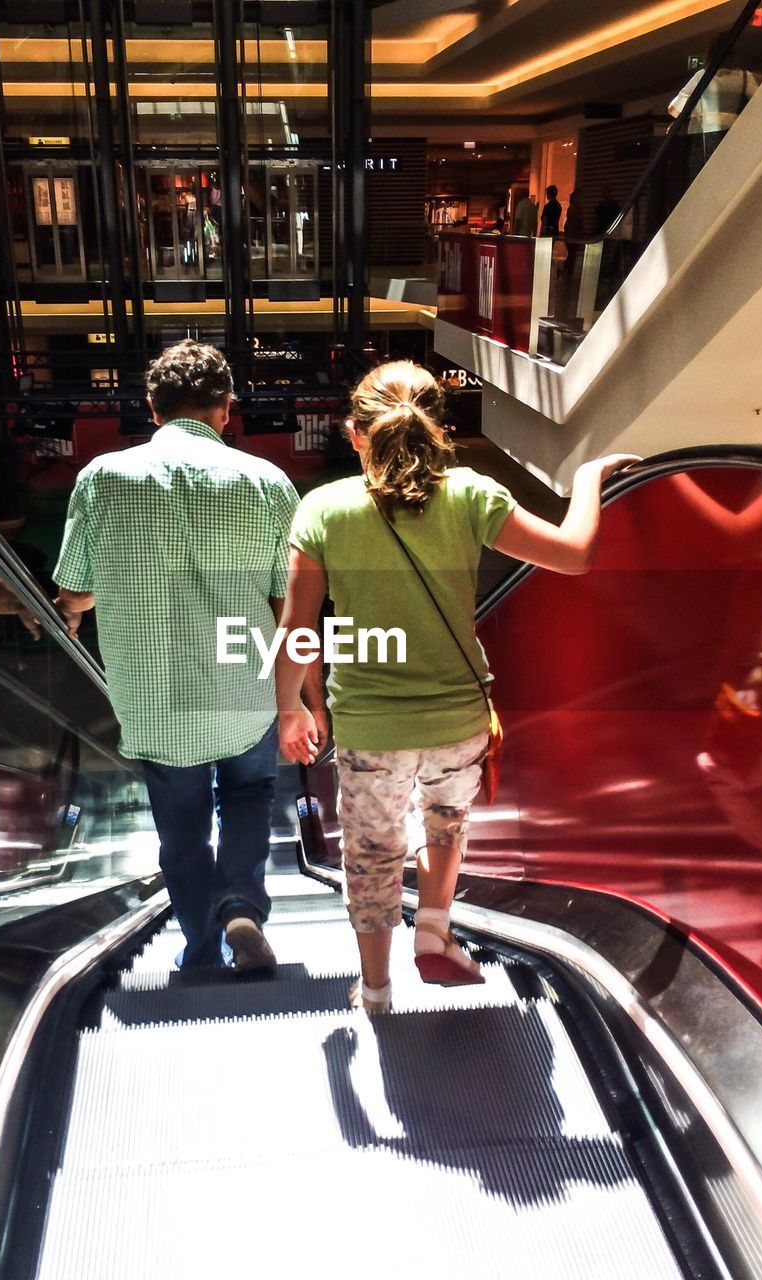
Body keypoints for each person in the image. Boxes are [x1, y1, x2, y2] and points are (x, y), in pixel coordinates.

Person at [275, 360, 638, 1013]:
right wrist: (586, 479)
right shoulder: (472, 494)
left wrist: (292, 708)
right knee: (444, 822)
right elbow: (576, 554)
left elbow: (298, 629)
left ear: (354, 434)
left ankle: (378, 992)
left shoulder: (324, 510)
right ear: (438, 428)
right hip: (457, 716)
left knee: (371, 854)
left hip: (370, 725)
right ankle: (435, 932)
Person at [53, 340, 326, 974]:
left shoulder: (102, 478)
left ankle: (201, 943)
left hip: (154, 695)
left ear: (153, 407)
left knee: (180, 827)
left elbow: (75, 591)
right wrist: (309, 703)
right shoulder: (268, 483)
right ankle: (241, 909)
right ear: (226, 409)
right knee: (251, 796)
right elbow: (292, 609)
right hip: (247, 689)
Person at [668, 35, 761, 182]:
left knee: (703, 179)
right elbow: (759, 103)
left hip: (705, 134)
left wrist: (697, 113)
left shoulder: (703, 75)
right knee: (730, 178)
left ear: (710, 53)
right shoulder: (745, 76)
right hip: (734, 134)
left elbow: (674, 108)